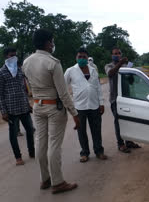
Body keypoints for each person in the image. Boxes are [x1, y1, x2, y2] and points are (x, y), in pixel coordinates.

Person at [23, 29, 80, 194]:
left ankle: (45, 179)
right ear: (48, 42)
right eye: (52, 41)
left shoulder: (27, 62)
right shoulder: (52, 63)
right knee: (54, 145)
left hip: (37, 106)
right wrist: (74, 114)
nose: (53, 44)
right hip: (54, 107)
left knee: (40, 144)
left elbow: (30, 87)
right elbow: (63, 93)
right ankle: (58, 182)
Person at [64, 48, 107, 163]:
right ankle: (84, 153)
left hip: (94, 105)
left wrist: (101, 103)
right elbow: (63, 86)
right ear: (76, 58)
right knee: (81, 131)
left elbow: (98, 88)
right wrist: (69, 103)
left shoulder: (93, 70)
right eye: (80, 57)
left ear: (88, 59)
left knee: (96, 130)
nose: (82, 59)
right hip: (79, 107)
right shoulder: (70, 71)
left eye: (84, 57)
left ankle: (99, 151)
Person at [0, 47, 35, 166]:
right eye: (11, 55)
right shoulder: (2, 72)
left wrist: (28, 104)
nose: (14, 58)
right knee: (13, 134)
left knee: (30, 130)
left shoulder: (20, 71)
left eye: (15, 55)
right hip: (11, 109)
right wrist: (3, 111)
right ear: (6, 57)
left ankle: (32, 152)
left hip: (24, 107)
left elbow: (23, 89)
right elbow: (0, 94)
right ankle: (18, 157)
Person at [105, 47, 141, 153]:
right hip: (115, 99)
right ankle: (120, 144)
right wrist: (120, 63)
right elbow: (110, 73)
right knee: (118, 122)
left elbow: (131, 81)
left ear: (121, 54)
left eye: (118, 53)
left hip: (127, 98)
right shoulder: (109, 66)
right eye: (114, 53)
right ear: (112, 55)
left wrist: (130, 73)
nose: (116, 55)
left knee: (129, 121)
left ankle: (129, 141)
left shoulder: (126, 67)